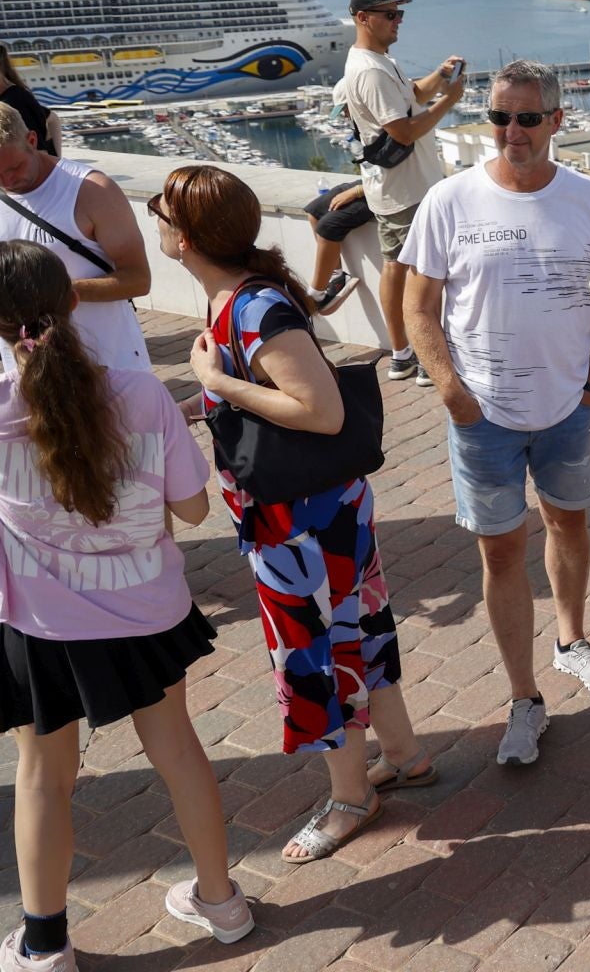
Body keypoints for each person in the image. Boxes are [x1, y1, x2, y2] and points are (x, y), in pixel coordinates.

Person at [0, 241, 254, 969]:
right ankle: (222, 903)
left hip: (39, 629)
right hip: (147, 615)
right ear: (74, 303)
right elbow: (194, 510)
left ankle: (45, 947)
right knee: (178, 750)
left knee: (42, 777)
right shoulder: (141, 394)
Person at [155, 165, 431, 863]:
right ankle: (399, 754)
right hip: (319, 512)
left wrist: (215, 383)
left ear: (185, 239)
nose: (153, 220)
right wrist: (201, 403)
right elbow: (263, 390)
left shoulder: (252, 308)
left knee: (313, 653)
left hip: (296, 523)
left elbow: (320, 409)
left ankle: (350, 798)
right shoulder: (249, 297)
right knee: (359, 627)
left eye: (160, 213)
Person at [402, 60, 590, 766]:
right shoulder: (448, 201)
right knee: (500, 550)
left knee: (569, 523)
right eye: (501, 116)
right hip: (483, 416)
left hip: (568, 408)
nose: (512, 131)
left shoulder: (589, 200)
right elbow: (418, 306)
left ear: (556, 122)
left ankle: (571, 641)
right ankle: (524, 697)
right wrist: (450, 389)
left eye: (528, 118)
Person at [338, 0, 464, 386]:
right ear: (363, 18)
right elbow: (404, 131)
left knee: (399, 268)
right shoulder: (369, 71)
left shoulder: (379, 61)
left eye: (399, 13)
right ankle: (422, 356)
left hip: (401, 188)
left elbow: (410, 96)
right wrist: (450, 100)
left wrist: (439, 77)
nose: (398, 22)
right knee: (418, 274)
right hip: (405, 191)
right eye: (389, 15)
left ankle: (404, 354)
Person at [0, 100, 150, 372]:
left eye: (15, 167)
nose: (6, 181)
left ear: (32, 139)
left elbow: (139, 280)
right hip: (28, 375)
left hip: (109, 366)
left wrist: (58, 294)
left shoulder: (91, 190)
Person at [303, 179, 371, 315]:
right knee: (314, 213)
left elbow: (393, 174)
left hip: (388, 188)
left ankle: (315, 295)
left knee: (327, 226)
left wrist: (355, 191)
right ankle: (337, 277)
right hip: (370, 179)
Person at [0, 40, 60, 158]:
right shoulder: (8, 97)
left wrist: (55, 161)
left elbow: (38, 150)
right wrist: (57, 158)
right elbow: (52, 118)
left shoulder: (14, 100)